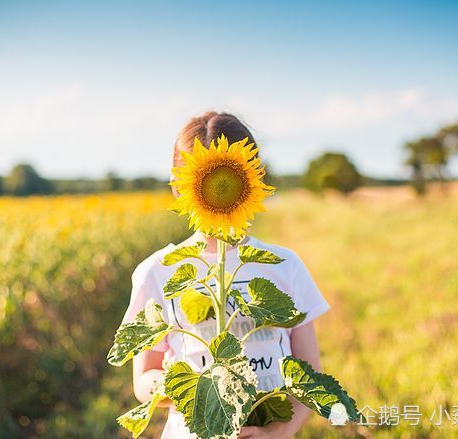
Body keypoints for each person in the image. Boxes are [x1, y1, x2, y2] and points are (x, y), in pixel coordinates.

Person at [123, 111, 331, 438]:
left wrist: (278, 432)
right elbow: (143, 379)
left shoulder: (284, 265)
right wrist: (196, 386)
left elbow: (310, 376)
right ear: (180, 187)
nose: (220, 187)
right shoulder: (159, 271)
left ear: (254, 178)